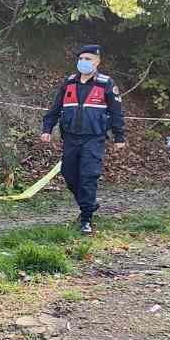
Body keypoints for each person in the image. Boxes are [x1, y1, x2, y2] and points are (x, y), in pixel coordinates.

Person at [41, 44, 126, 235]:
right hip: (71, 138)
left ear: (97, 62)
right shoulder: (69, 82)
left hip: (93, 139)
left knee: (88, 176)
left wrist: (119, 136)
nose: (84, 62)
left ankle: (86, 218)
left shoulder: (106, 83)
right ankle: (89, 203)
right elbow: (55, 108)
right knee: (69, 175)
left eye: (88, 59)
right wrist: (47, 128)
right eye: (81, 59)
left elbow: (117, 113)